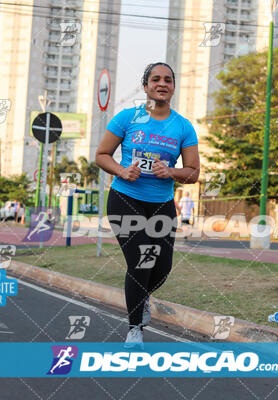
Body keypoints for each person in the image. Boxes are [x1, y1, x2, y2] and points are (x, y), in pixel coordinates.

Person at [95, 62, 200, 348]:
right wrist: (121, 170)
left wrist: (171, 172)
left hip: (161, 204)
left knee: (162, 268)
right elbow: (102, 155)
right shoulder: (127, 118)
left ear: (173, 87)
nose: (162, 84)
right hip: (124, 199)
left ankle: (140, 299)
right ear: (145, 86)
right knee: (143, 260)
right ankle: (134, 330)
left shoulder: (183, 126)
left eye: (168, 79)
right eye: (156, 79)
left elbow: (193, 172)